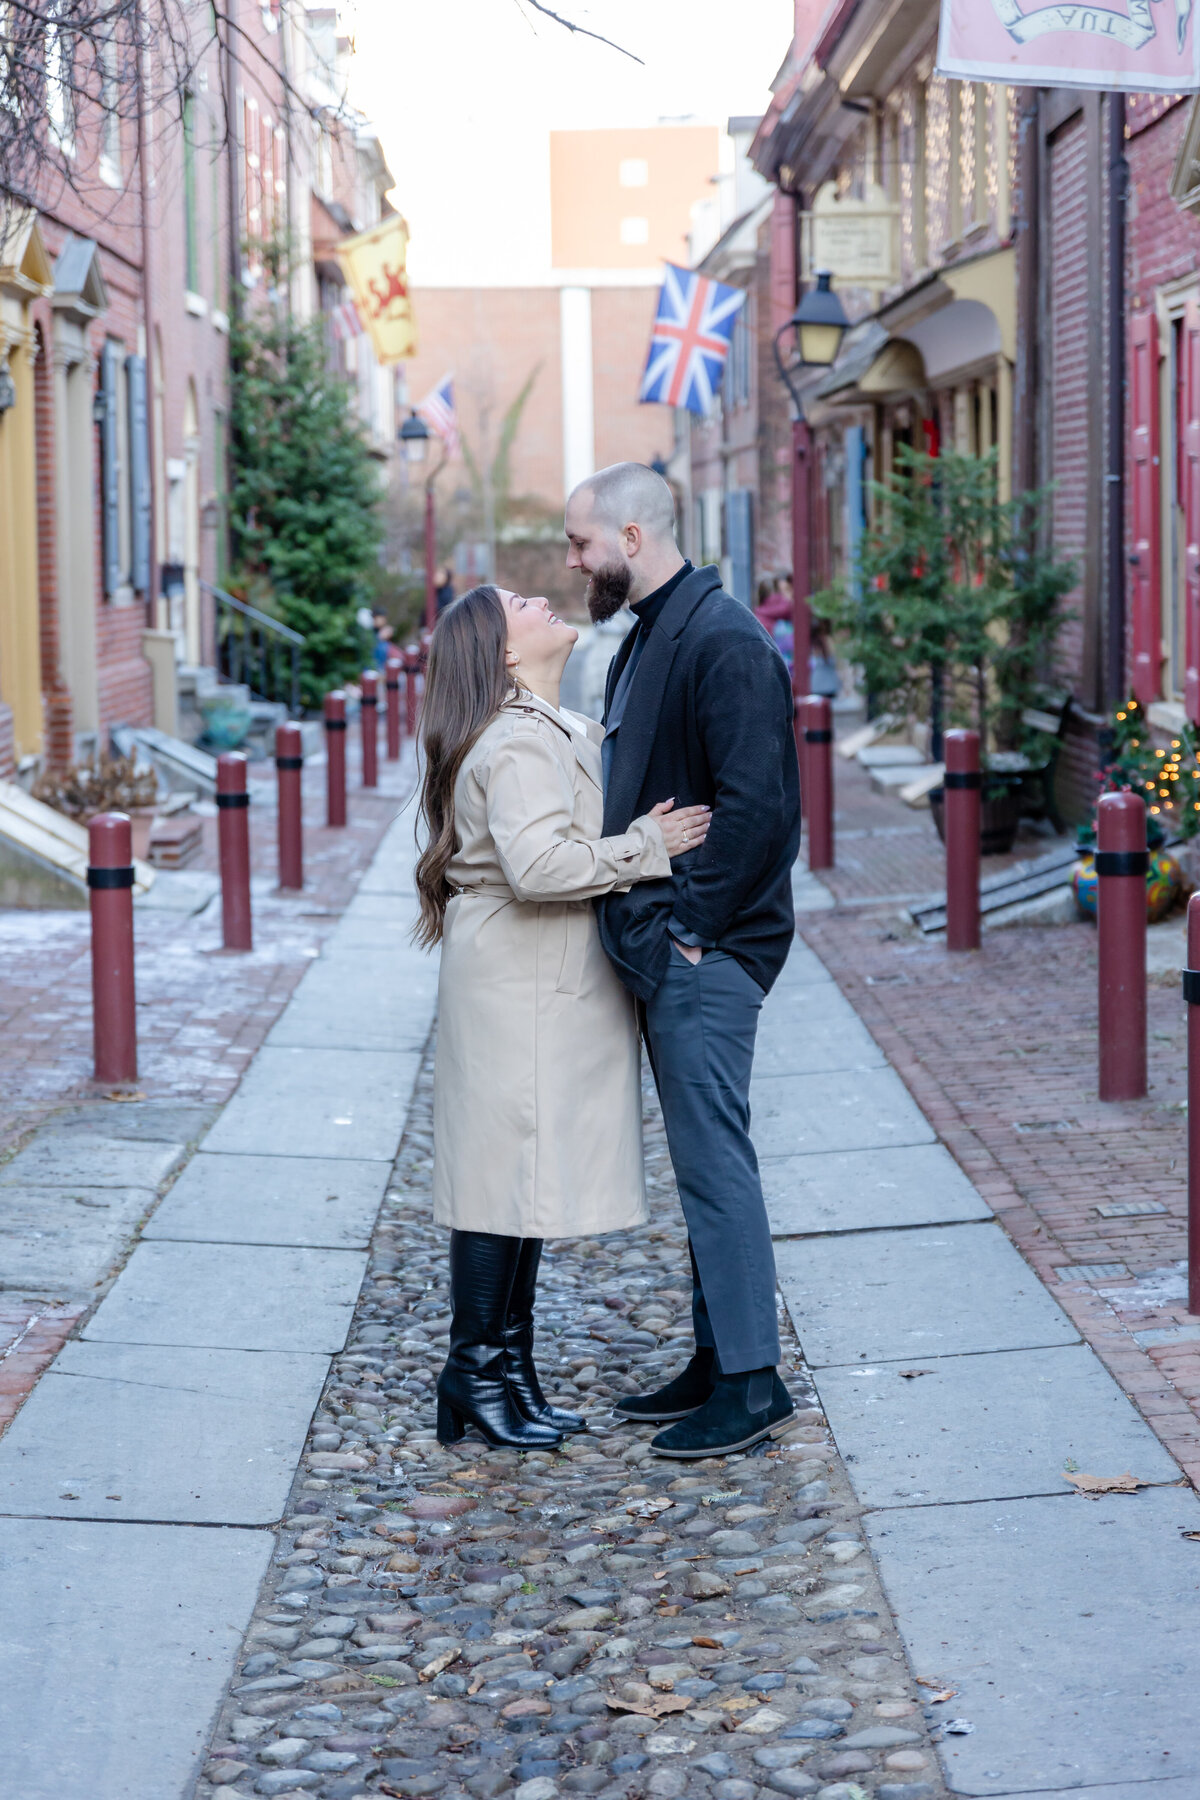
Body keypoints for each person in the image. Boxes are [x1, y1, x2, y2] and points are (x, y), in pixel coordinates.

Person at [414, 584, 712, 1449]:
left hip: (528, 970)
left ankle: (507, 1365)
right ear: (504, 655)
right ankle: (475, 1368)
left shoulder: (543, 728)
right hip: (518, 972)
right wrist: (647, 848)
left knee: (520, 1173)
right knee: (499, 1173)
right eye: (519, 603)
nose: (541, 598)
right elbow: (539, 864)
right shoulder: (513, 740)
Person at [564, 462, 802, 1459]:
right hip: (673, 942)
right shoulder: (657, 633)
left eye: (579, 542)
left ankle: (752, 1383)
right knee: (700, 1164)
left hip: (708, 949)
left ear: (630, 535)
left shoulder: (723, 641)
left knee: (715, 1165)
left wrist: (694, 926)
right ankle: (718, 1357)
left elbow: (763, 810)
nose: (571, 560)